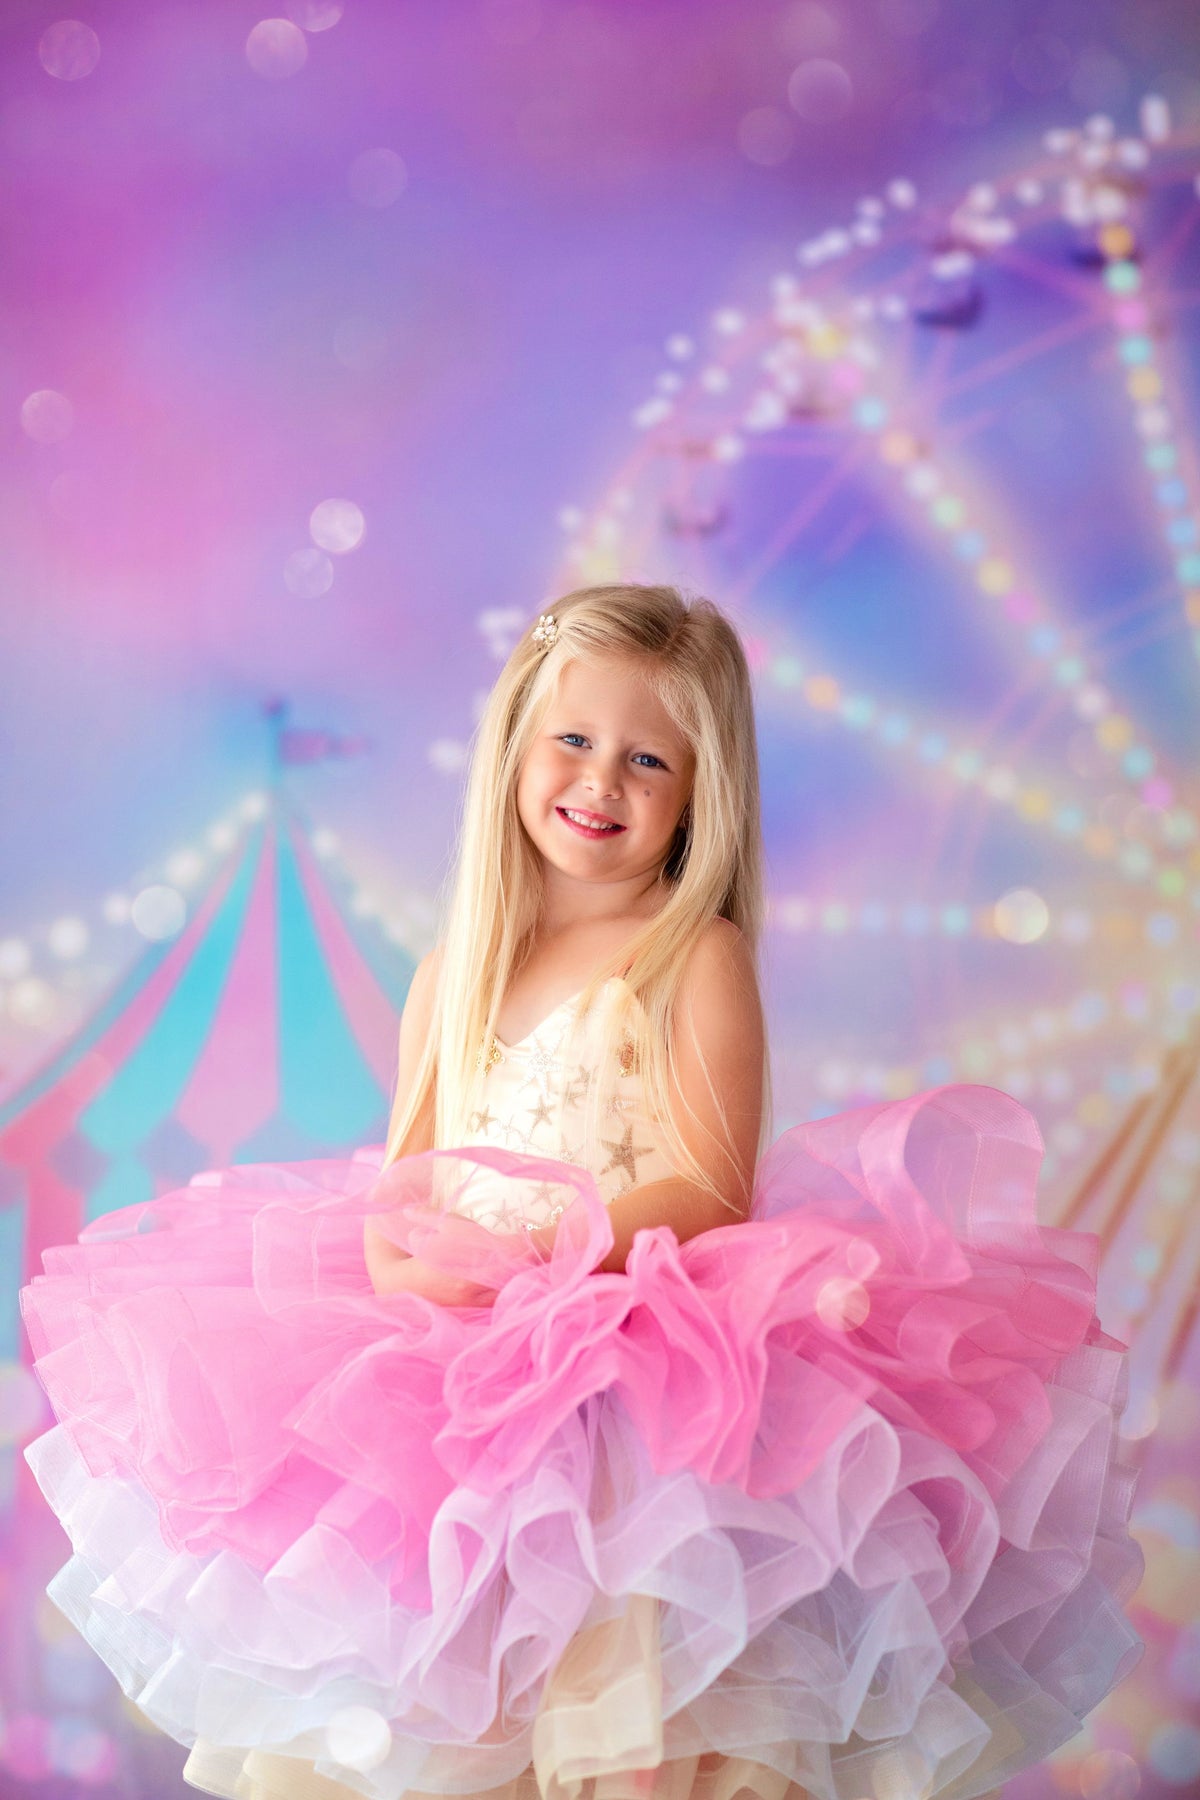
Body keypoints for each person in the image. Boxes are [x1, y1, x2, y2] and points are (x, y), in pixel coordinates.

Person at [20, 582, 1144, 1800]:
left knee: (627, 1714)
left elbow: (711, 1190)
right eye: (573, 740)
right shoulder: (459, 971)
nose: (600, 782)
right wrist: (410, 1265)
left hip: (636, 1389)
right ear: (515, 744)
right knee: (456, 1712)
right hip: (457, 1384)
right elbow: (411, 1179)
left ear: (698, 795)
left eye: (647, 758)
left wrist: (553, 1254)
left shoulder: (689, 954)